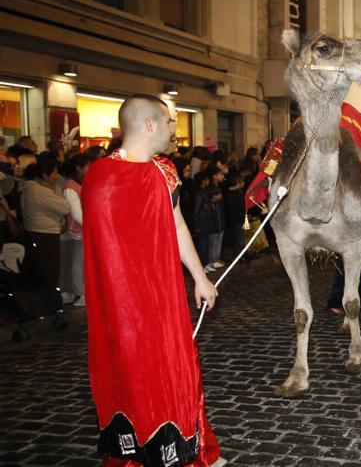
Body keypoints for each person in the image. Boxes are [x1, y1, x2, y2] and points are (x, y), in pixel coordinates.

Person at [82, 95, 221, 466]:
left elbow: (177, 227)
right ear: (149, 125)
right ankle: (139, 453)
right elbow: (104, 252)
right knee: (135, 376)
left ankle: (189, 450)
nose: (174, 130)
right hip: (124, 306)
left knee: (179, 368)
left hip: (165, 297)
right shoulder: (101, 177)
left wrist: (199, 277)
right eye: (170, 122)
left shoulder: (165, 171)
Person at [20, 154, 70, 292]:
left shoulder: (34, 188)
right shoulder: (39, 190)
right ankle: (48, 303)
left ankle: (47, 301)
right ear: (44, 175)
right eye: (54, 173)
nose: (56, 176)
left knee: (45, 270)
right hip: (44, 234)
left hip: (40, 233)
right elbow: (65, 207)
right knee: (49, 271)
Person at [61, 155, 89, 306]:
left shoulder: (76, 185)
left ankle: (79, 291)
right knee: (78, 263)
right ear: (78, 167)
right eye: (87, 166)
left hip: (81, 230)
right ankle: (79, 292)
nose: (89, 170)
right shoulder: (70, 187)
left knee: (79, 263)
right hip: (78, 231)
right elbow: (77, 214)